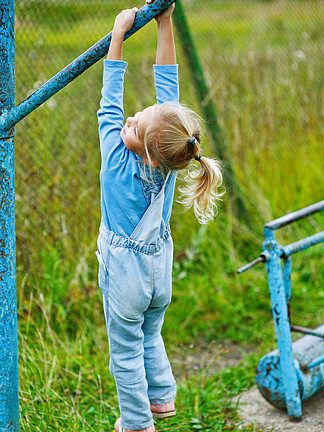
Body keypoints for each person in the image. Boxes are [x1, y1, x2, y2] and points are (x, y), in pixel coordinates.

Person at [95, 1, 223, 431]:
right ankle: (162, 398)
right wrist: (163, 23)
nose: (127, 119)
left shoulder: (116, 158)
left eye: (132, 126)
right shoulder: (171, 159)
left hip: (126, 275)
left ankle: (136, 424)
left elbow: (109, 103)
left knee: (126, 352)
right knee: (151, 334)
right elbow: (169, 98)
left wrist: (118, 35)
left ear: (145, 148)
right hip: (158, 270)